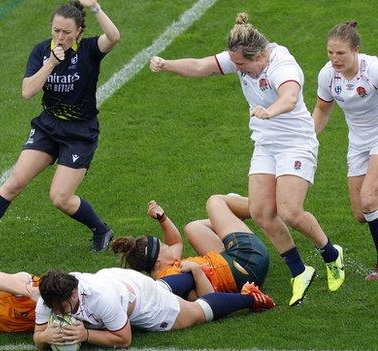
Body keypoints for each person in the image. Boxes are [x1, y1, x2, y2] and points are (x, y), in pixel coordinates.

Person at [148, 12, 345, 305]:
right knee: (262, 211)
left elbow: (290, 96)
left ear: (260, 55)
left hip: (295, 142)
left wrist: (270, 111)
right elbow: (202, 66)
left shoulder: (282, 64)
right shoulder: (241, 58)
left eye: (241, 65)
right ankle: (299, 271)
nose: (237, 69)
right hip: (265, 143)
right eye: (234, 64)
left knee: (290, 211)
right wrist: (167, 65)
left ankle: (331, 253)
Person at [0, 0, 120, 256]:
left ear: (78, 32)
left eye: (66, 32)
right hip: (49, 127)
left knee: (61, 198)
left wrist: (95, 6)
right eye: (55, 30)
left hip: (79, 134)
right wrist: (50, 63)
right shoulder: (42, 51)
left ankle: (101, 229)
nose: (60, 37)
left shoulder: (88, 49)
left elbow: (114, 37)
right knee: (14, 183)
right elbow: (28, 92)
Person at [33, 268, 274, 349]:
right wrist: (45, 337)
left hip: (145, 302)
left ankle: (249, 298)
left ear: (74, 293)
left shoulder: (101, 298)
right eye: (54, 308)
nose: (59, 312)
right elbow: (37, 336)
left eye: (63, 307)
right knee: (160, 287)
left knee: (196, 314)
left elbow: (124, 339)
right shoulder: (49, 298)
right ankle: (190, 275)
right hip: (120, 281)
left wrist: (85, 335)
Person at [312, 21, 378, 282]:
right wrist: (305, 139)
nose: (334, 59)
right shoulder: (328, 75)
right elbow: (322, 109)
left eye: (341, 53)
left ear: (356, 50)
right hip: (358, 143)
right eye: (330, 53)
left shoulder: (372, 69)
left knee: (370, 199)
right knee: (361, 214)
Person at [111, 194, 269, 299]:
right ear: (158, 261)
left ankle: (230, 215)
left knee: (192, 228)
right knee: (215, 201)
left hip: (236, 265)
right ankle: (263, 210)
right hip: (248, 259)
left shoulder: (163, 268)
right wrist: (196, 270)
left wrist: (162, 218)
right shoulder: (174, 280)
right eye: (163, 245)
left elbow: (176, 243)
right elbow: (207, 301)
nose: (167, 245)